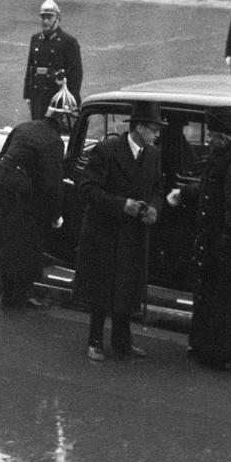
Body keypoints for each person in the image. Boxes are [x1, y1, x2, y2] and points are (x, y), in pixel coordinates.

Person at [168, 106, 231, 369]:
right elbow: (212, 188)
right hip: (222, 245)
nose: (208, 140)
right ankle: (211, 348)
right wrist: (185, 194)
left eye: (212, 135)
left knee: (229, 304)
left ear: (223, 137)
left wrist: (224, 249)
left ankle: (227, 354)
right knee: (220, 301)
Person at [0, 86, 74, 309]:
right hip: (18, 190)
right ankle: (19, 297)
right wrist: (55, 215)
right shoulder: (54, 141)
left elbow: (2, 155)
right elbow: (52, 183)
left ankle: (9, 292)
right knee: (25, 242)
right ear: (65, 119)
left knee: (6, 242)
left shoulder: (25, 126)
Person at [73, 100, 164, 362]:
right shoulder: (108, 149)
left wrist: (155, 209)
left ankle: (123, 342)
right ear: (138, 128)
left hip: (133, 234)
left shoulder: (153, 154)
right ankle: (95, 342)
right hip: (105, 232)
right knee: (102, 289)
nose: (157, 135)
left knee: (127, 287)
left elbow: (157, 189)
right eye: (153, 129)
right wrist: (122, 205)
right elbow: (88, 189)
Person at [24, 0, 83, 120]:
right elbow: (30, 68)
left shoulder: (69, 42)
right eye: (43, 17)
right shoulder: (35, 39)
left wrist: (70, 100)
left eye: (49, 17)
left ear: (57, 18)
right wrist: (27, 95)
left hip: (56, 97)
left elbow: (76, 74)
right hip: (37, 94)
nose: (45, 21)